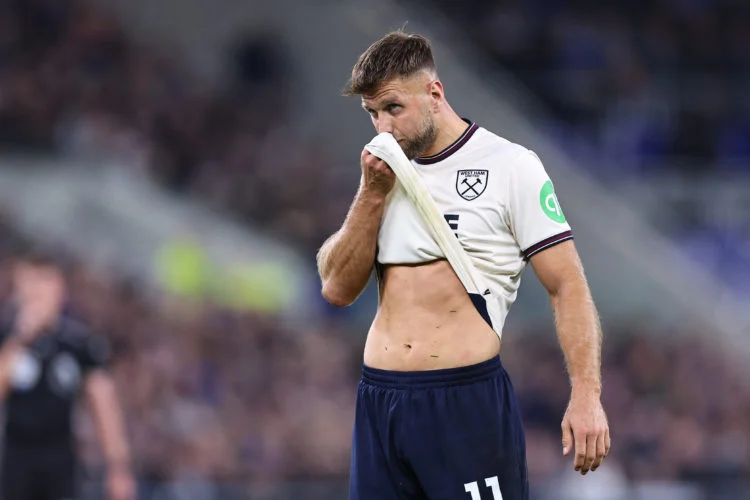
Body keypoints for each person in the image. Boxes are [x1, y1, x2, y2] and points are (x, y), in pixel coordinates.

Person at [316, 32, 610, 499]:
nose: (383, 128)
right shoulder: (383, 174)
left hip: (463, 402)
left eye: (393, 108)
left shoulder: (510, 166)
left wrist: (587, 394)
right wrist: (370, 194)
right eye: (372, 113)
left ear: (434, 93)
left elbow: (567, 285)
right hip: (380, 401)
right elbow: (336, 288)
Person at [0, 248, 135, 500]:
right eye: (29, 282)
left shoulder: (79, 343)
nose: (35, 292)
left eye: (43, 281)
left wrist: (118, 465)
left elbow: (104, 404)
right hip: (14, 459)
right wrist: (21, 338)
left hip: (60, 460)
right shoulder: (7, 336)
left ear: (59, 288)